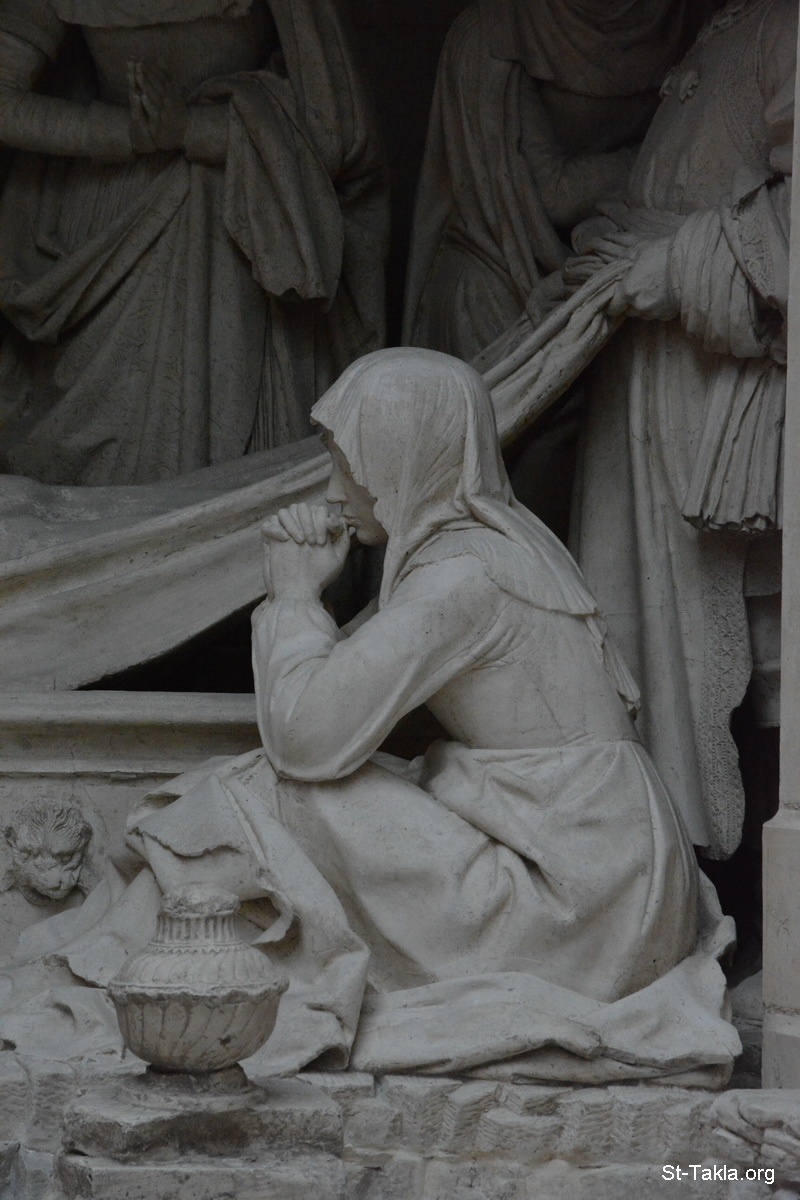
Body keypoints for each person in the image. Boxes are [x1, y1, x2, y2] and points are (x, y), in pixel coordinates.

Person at [0, 349, 737, 1084]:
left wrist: (293, 597)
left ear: (403, 461)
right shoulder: (507, 549)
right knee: (276, 798)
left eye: (349, 462)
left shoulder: (462, 577)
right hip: (607, 872)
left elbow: (306, 741)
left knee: (270, 794)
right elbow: (352, 696)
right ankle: (110, 958)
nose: (332, 489)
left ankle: (114, 970)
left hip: (569, 906)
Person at [564, 0, 794, 859]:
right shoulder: (729, 21)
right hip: (658, 378)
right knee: (654, 640)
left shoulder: (786, 25)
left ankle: (756, 895)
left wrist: (680, 263)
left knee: (763, 651)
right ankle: (686, 872)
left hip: (722, 387)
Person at [0, 0, 387, 485]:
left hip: (236, 222)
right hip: (105, 214)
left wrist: (189, 128)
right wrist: (121, 132)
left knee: (232, 478)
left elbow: (335, 129)